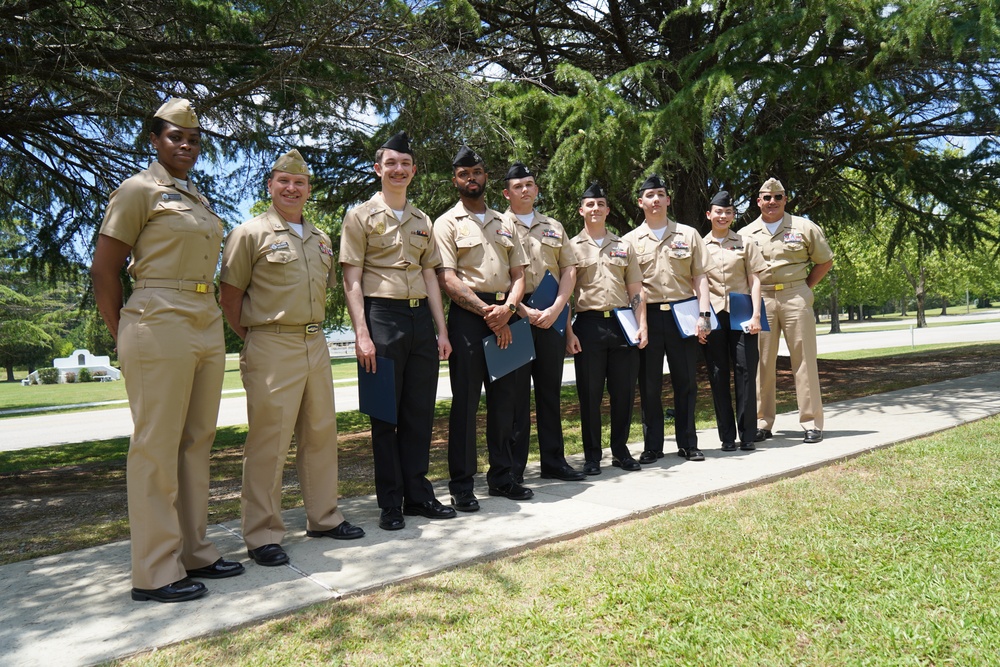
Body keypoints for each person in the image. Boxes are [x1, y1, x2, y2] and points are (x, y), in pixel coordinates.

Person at [92, 98, 244, 603]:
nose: (185, 145)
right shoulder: (138, 190)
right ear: (154, 140)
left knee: (197, 440)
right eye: (175, 137)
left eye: (194, 139)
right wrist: (123, 332)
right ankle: (155, 571)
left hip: (203, 318)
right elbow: (104, 269)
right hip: (157, 316)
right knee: (156, 446)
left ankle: (193, 550)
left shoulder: (194, 197)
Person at [220, 149, 364, 569]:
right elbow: (230, 298)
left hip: (314, 342)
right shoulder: (249, 233)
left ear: (309, 190)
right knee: (269, 442)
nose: (292, 188)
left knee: (320, 434)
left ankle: (323, 517)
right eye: (284, 181)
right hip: (271, 343)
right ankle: (262, 533)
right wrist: (258, 338)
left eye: (300, 183)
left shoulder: (320, 239)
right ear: (270, 185)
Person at [340, 132, 457, 531]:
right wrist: (362, 333)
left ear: (413, 170)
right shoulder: (359, 217)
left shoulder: (423, 220)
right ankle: (390, 502)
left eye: (405, 164)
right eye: (391, 163)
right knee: (384, 416)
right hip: (381, 318)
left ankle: (418, 495)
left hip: (419, 319)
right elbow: (351, 279)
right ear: (378, 169)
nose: (398, 170)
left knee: (419, 414)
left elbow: (430, 276)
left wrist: (441, 330)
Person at [432, 145, 529, 511]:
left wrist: (506, 310)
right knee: (467, 404)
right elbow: (448, 279)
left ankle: (502, 479)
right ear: (455, 180)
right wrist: (488, 311)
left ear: (486, 176)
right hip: (469, 319)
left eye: (476, 171)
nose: (471, 178)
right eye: (463, 173)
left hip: (506, 315)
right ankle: (462, 485)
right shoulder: (446, 223)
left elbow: (519, 275)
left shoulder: (506, 223)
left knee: (506, 403)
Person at [501, 162, 584, 483]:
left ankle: (554, 461)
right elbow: (498, 274)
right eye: (518, 186)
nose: (525, 190)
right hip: (516, 317)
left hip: (552, 316)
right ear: (507, 193)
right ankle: (514, 468)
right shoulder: (497, 225)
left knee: (550, 392)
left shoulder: (554, 226)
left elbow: (569, 270)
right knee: (516, 396)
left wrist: (558, 309)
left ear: (537, 189)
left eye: (530, 184)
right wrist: (520, 309)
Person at [622, 174, 714, 462]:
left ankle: (688, 442)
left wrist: (704, 315)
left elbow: (700, 277)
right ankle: (653, 446)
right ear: (640, 202)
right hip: (647, 317)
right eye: (650, 195)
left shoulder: (688, 235)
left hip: (683, 315)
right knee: (649, 384)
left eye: (661, 194)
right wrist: (637, 324)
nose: (656, 200)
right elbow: (628, 285)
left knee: (686, 381)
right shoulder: (629, 241)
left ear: (668, 199)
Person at [739, 178, 834, 443]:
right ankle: (762, 422)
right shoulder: (745, 234)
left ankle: (812, 422)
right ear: (758, 201)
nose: (772, 202)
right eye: (766, 198)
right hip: (762, 299)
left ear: (785, 199)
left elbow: (824, 261)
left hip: (795, 295)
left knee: (804, 360)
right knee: (761, 362)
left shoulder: (804, 227)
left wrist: (803, 287)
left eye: (777, 197)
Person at [565, 182, 648, 474]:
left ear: (608, 210)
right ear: (581, 210)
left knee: (623, 392)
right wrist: (568, 331)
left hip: (623, 323)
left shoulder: (624, 246)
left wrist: (643, 325)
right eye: (590, 204)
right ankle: (592, 456)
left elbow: (636, 288)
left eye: (600, 204)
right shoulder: (571, 247)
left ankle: (621, 451)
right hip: (587, 325)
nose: (595, 209)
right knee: (589, 394)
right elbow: (565, 294)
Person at [701, 191, 766, 451]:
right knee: (718, 375)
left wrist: (757, 315)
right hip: (714, 315)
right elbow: (696, 283)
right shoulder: (700, 245)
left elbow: (756, 279)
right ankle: (727, 437)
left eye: (728, 212)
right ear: (709, 214)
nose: (723, 216)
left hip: (742, 315)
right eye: (719, 211)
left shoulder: (745, 242)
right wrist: (702, 318)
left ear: (733, 215)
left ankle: (748, 434)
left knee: (746, 372)